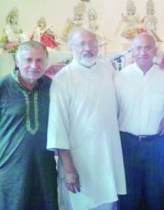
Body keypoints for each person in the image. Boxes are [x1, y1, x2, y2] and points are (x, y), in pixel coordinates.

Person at [47, 29, 126, 210]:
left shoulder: (107, 69)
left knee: (108, 204)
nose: (87, 48)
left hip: (107, 157)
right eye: (81, 44)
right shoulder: (63, 78)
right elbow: (57, 126)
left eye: (92, 44)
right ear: (71, 48)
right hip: (80, 162)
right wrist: (68, 169)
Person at [0, 41, 58, 210]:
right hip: (8, 170)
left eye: (40, 60)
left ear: (46, 63)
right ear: (17, 62)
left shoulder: (52, 88)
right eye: (28, 60)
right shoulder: (0, 88)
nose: (34, 66)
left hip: (43, 170)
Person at [114, 32, 164, 210]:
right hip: (127, 145)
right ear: (132, 51)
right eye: (138, 48)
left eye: (147, 48)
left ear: (155, 51)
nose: (142, 52)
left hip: (156, 145)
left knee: (157, 197)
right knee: (128, 198)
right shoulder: (119, 77)